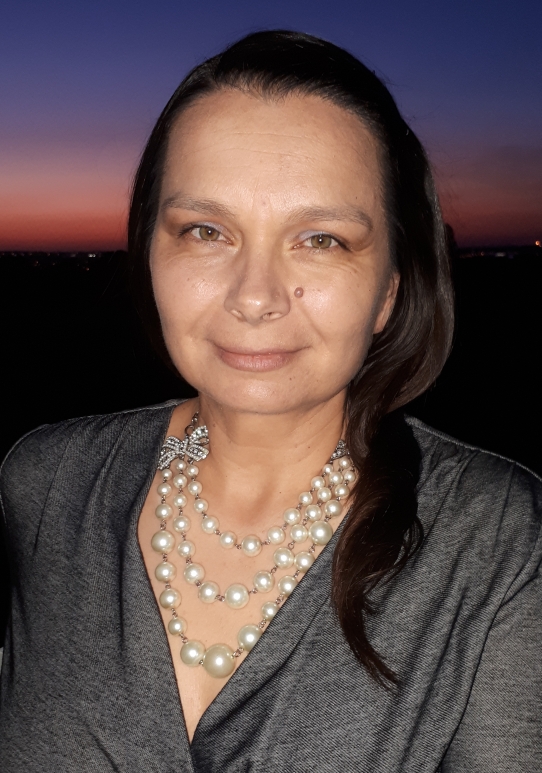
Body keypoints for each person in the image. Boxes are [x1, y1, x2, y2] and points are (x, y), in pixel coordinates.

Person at [0, 30, 540, 772]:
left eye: (321, 239)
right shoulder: (45, 486)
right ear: (150, 251)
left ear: (390, 288)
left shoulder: (498, 539)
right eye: (206, 231)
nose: (254, 296)